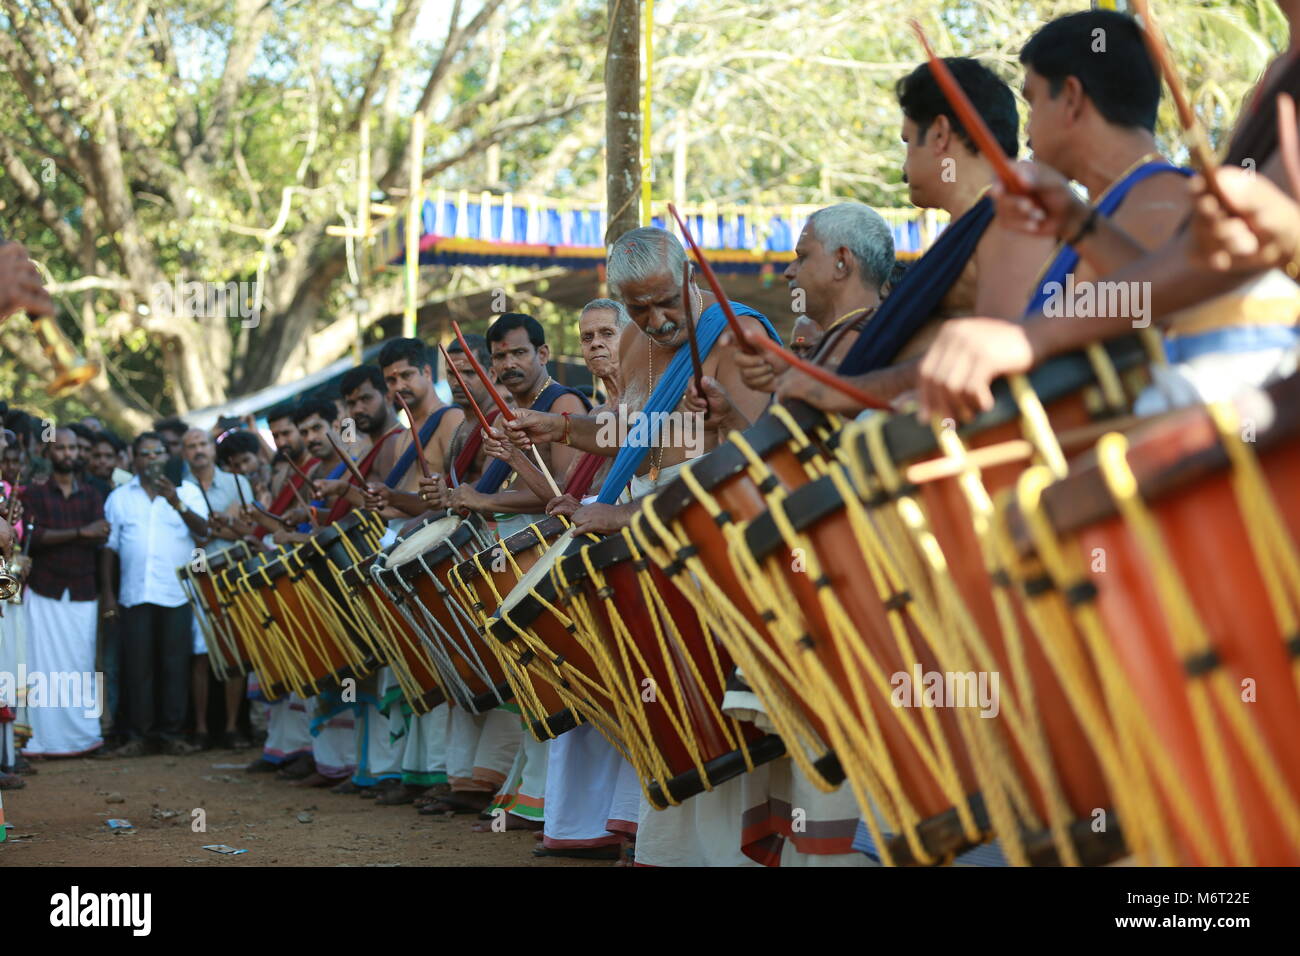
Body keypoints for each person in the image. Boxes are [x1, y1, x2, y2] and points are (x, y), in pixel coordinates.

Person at [914, 8, 1267, 420]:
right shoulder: (1101, 212)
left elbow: (1164, 319)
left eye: (1032, 99)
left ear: (1071, 99)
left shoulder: (1162, 199)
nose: (1026, 125)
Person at [771, 56, 1056, 411]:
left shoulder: (1009, 218)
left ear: (939, 135)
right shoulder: (968, 227)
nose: (905, 167)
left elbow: (991, 355)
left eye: (908, 141)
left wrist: (839, 391)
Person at [99, 432, 209, 757]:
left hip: (175, 594)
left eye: (157, 452)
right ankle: (139, 736)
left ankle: (172, 734)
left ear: (167, 456)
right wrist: (108, 595)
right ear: (134, 459)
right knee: (137, 667)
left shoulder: (188, 491)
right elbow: (109, 549)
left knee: (175, 666)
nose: (152, 459)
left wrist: (176, 501)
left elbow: (204, 532)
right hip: (134, 595)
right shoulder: (120, 497)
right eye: (145, 454)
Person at [21, 427, 107, 758]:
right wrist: (80, 532)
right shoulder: (35, 494)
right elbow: (35, 537)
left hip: (83, 590)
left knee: (81, 666)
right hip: (45, 589)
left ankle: (84, 737)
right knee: (41, 667)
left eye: (73, 448)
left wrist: (75, 534)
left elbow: (100, 535)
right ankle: (41, 740)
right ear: (48, 452)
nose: (68, 454)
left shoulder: (91, 495)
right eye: (61, 448)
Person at [180, 428, 256, 750]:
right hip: (197, 579)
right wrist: (220, 525)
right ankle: (199, 729)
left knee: (234, 651)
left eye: (202, 444)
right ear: (184, 453)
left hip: (232, 574)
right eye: (191, 446)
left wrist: (222, 525)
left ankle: (231, 727)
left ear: (213, 449)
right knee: (200, 655)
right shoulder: (180, 489)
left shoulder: (238, 482)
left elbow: (247, 531)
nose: (198, 450)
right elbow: (209, 530)